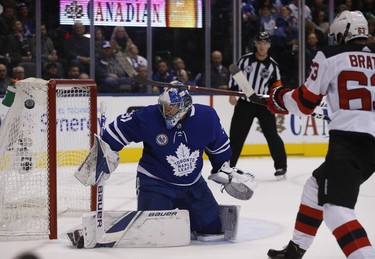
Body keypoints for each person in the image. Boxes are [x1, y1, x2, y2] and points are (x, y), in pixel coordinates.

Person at [72, 81, 256, 245]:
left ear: (184, 105)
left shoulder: (206, 117)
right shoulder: (149, 117)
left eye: (171, 107)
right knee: (152, 233)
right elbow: (115, 131)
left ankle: (193, 219)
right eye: (164, 106)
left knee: (212, 229)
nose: (165, 111)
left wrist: (224, 169)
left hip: (193, 184)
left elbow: (219, 147)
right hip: (155, 183)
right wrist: (103, 152)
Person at [267, 10, 375, 258]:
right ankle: (296, 249)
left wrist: (279, 97)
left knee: (337, 210)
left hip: (349, 143)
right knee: (314, 186)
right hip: (369, 145)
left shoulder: (330, 56)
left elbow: (305, 102)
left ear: (340, 36)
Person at [228, 31, 287, 180]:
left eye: (265, 43)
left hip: (264, 106)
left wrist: (275, 102)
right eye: (259, 43)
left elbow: (277, 86)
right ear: (255, 44)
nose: (262, 46)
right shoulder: (245, 60)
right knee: (236, 136)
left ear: (269, 45)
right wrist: (232, 93)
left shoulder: (273, 66)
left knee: (272, 135)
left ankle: (281, 166)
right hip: (245, 104)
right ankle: (228, 166)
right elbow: (235, 76)